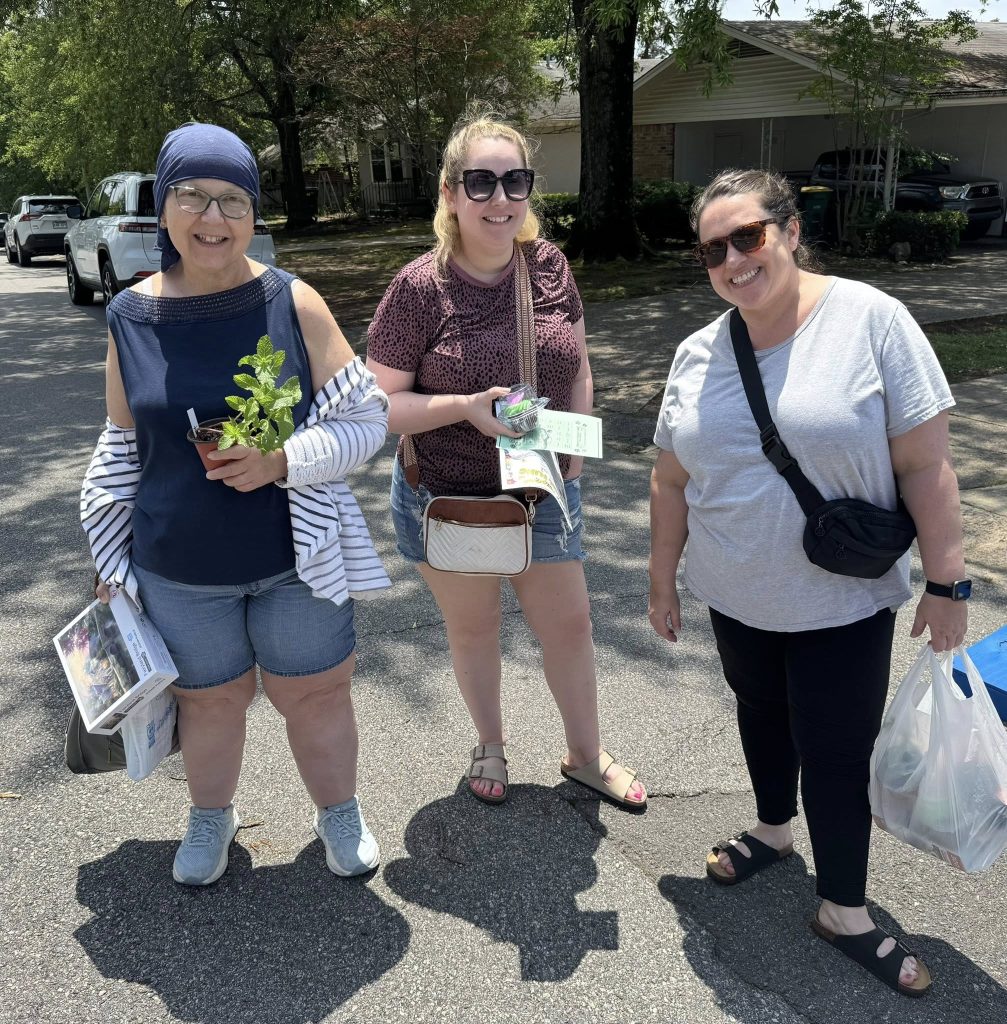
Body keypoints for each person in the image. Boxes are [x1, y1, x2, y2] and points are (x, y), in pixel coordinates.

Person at [648, 168, 969, 998]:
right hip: (734, 593)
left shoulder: (870, 320)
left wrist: (946, 584)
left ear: (790, 231)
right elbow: (669, 478)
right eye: (712, 249)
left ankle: (843, 910)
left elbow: (925, 465)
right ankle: (771, 831)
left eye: (747, 236)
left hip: (840, 600)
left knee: (833, 749)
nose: (732, 260)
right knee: (760, 712)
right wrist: (661, 579)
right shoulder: (697, 352)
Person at [80, 122, 390, 885]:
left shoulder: (293, 301)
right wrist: (111, 559)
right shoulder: (130, 315)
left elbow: (366, 419)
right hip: (180, 569)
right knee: (208, 702)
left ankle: (339, 812)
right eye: (192, 195)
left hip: (295, 562)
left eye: (233, 201)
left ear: (253, 214)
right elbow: (121, 446)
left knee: (316, 695)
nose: (212, 217)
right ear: (163, 206)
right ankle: (210, 819)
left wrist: (283, 461)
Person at [365, 113, 647, 810]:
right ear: (450, 193)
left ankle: (585, 755)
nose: (499, 198)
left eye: (514, 181)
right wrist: (463, 406)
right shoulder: (418, 288)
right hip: (448, 494)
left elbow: (577, 363)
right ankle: (489, 743)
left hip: (541, 487)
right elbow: (379, 407)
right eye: (480, 182)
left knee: (569, 627)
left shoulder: (548, 265)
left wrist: (577, 439)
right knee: (475, 628)